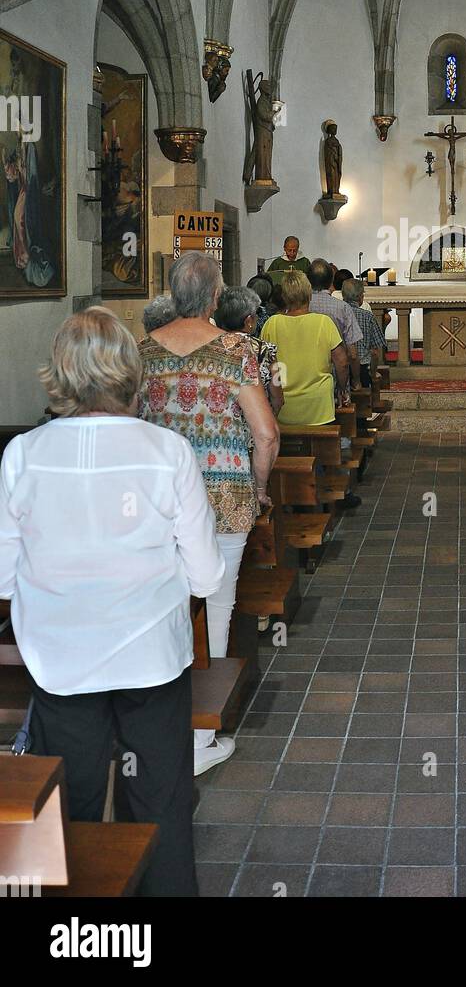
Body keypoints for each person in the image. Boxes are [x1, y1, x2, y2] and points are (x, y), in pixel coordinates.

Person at [0, 307, 224, 896]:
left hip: (62, 663)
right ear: (129, 371)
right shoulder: (168, 451)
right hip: (150, 657)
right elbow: (204, 575)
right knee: (161, 802)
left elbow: (2, 578)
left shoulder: (22, 455)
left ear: (60, 374)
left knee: (67, 808)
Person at [137, 252, 280, 775]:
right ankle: (202, 736)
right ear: (217, 297)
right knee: (218, 603)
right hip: (222, 495)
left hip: (159, 502)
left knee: (168, 607)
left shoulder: (142, 350)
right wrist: (259, 487)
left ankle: (162, 726)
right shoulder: (236, 349)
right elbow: (264, 432)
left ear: (174, 294)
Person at [262, 274, 360, 509]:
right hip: (318, 408)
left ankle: (290, 499)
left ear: (284, 297)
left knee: (287, 457)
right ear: (308, 295)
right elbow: (342, 361)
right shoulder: (323, 323)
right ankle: (321, 498)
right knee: (323, 455)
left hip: (283, 408)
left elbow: (266, 364)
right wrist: (342, 390)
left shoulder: (271, 324)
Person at [215, 285, 284, 419]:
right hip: (254, 428)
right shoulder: (266, 350)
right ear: (248, 321)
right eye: (255, 315)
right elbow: (278, 398)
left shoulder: (210, 346)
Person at [308, 257, 363, 390]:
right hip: (335, 375)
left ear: (308, 280)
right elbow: (353, 353)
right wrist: (356, 380)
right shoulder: (342, 308)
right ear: (330, 281)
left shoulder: (300, 307)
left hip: (306, 373)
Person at [341, 278, 387, 387]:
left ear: (343, 296)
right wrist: (373, 372)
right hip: (362, 369)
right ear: (360, 297)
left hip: (340, 367)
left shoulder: (338, 313)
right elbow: (375, 352)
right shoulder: (368, 316)